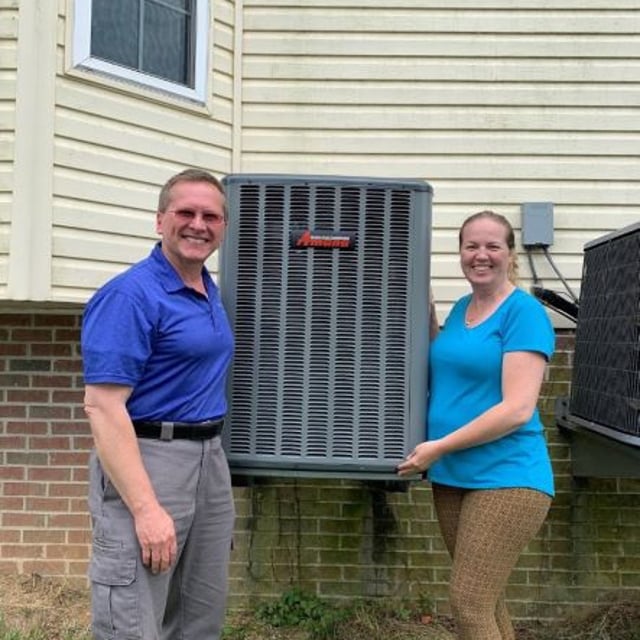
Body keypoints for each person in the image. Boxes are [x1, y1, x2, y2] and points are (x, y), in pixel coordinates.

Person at [81, 168, 235, 640]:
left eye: (210, 215)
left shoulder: (207, 290)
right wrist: (146, 509)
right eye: (184, 212)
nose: (198, 224)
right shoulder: (130, 296)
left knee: (198, 615)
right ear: (159, 221)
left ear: (223, 227)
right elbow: (103, 407)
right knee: (133, 615)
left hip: (208, 461)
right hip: (150, 458)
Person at [397, 210, 555, 640]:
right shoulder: (465, 307)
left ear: (510, 253)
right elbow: (448, 366)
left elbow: (517, 409)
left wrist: (440, 445)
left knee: (468, 602)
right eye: (471, 246)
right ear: (460, 252)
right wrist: (424, 313)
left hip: (507, 476)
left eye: (492, 246)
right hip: (453, 477)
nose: (480, 255)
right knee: (488, 602)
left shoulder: (523, 313)